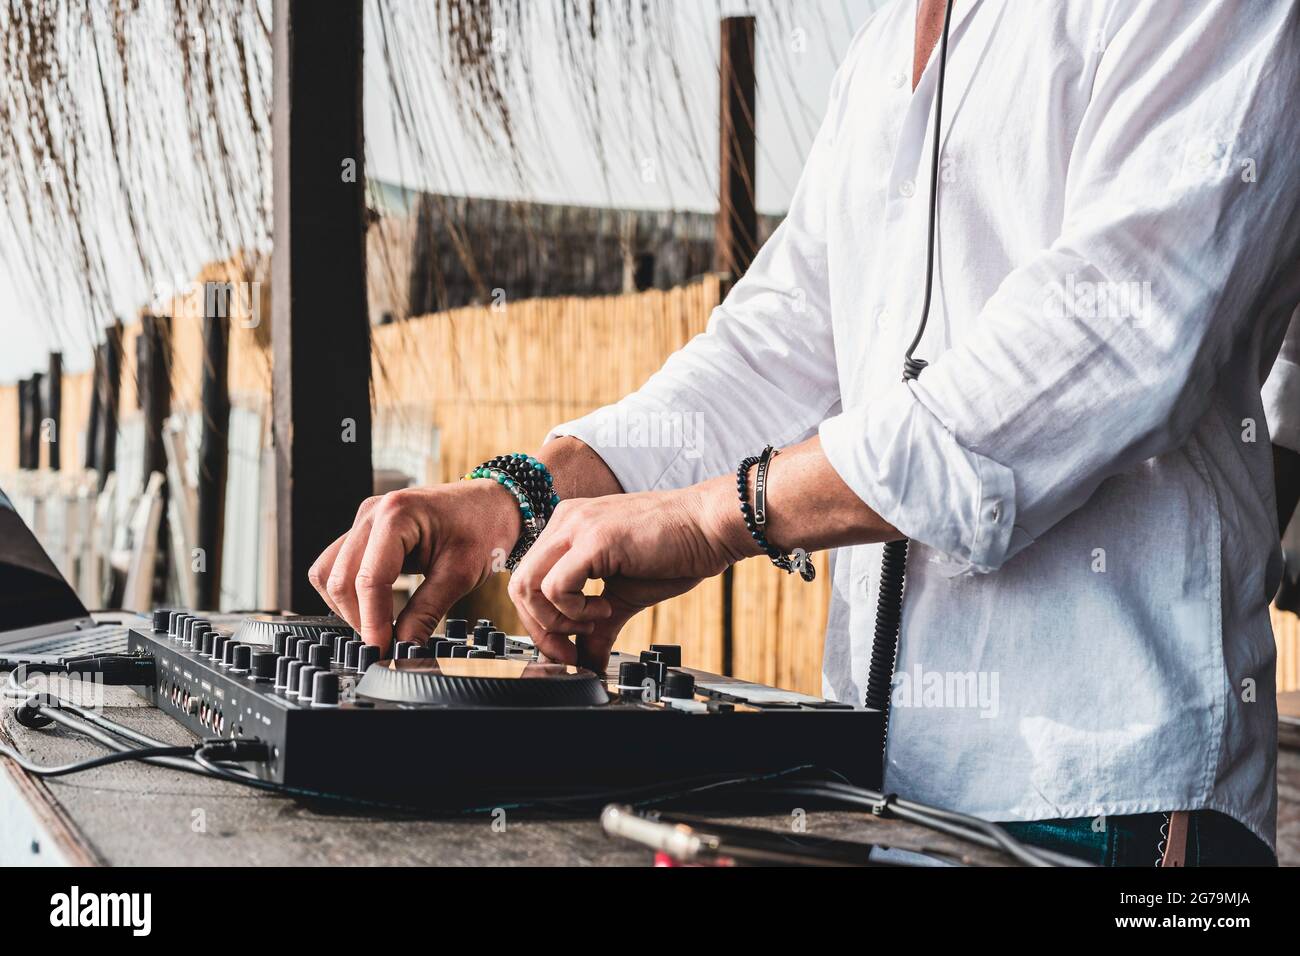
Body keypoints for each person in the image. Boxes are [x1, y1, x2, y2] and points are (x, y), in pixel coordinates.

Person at [311, 0, 1300, 865]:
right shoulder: (880, 52)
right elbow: (769, 353)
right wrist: (518, 496)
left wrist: (717, 516)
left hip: (1105, 800)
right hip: (878, 783)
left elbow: (1109, 336)